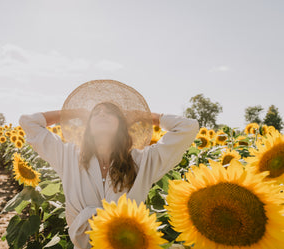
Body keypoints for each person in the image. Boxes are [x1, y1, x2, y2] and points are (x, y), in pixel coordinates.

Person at [18, 80, 199, 249]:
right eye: (95, 113)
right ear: (87, 126)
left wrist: (144, 116)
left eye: (110, 112)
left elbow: (188, 127)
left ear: (122, 124)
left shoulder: (142, 161)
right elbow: (29, 122)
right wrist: (71, 113)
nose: (101, 113)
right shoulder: (68, 156)